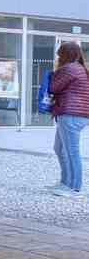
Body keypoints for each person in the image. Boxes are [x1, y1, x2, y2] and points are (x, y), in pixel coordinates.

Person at [49, 41, 89, 197]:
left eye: (60, 54)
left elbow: (53, 88)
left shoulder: (68, 69)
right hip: (76, 114)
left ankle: (74, 188)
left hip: (71, 114)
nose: (58, 57)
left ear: (65, 55)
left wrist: (54, 73)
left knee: (72, 151)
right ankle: (65, 182)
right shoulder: (80, 68)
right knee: (59, 148)